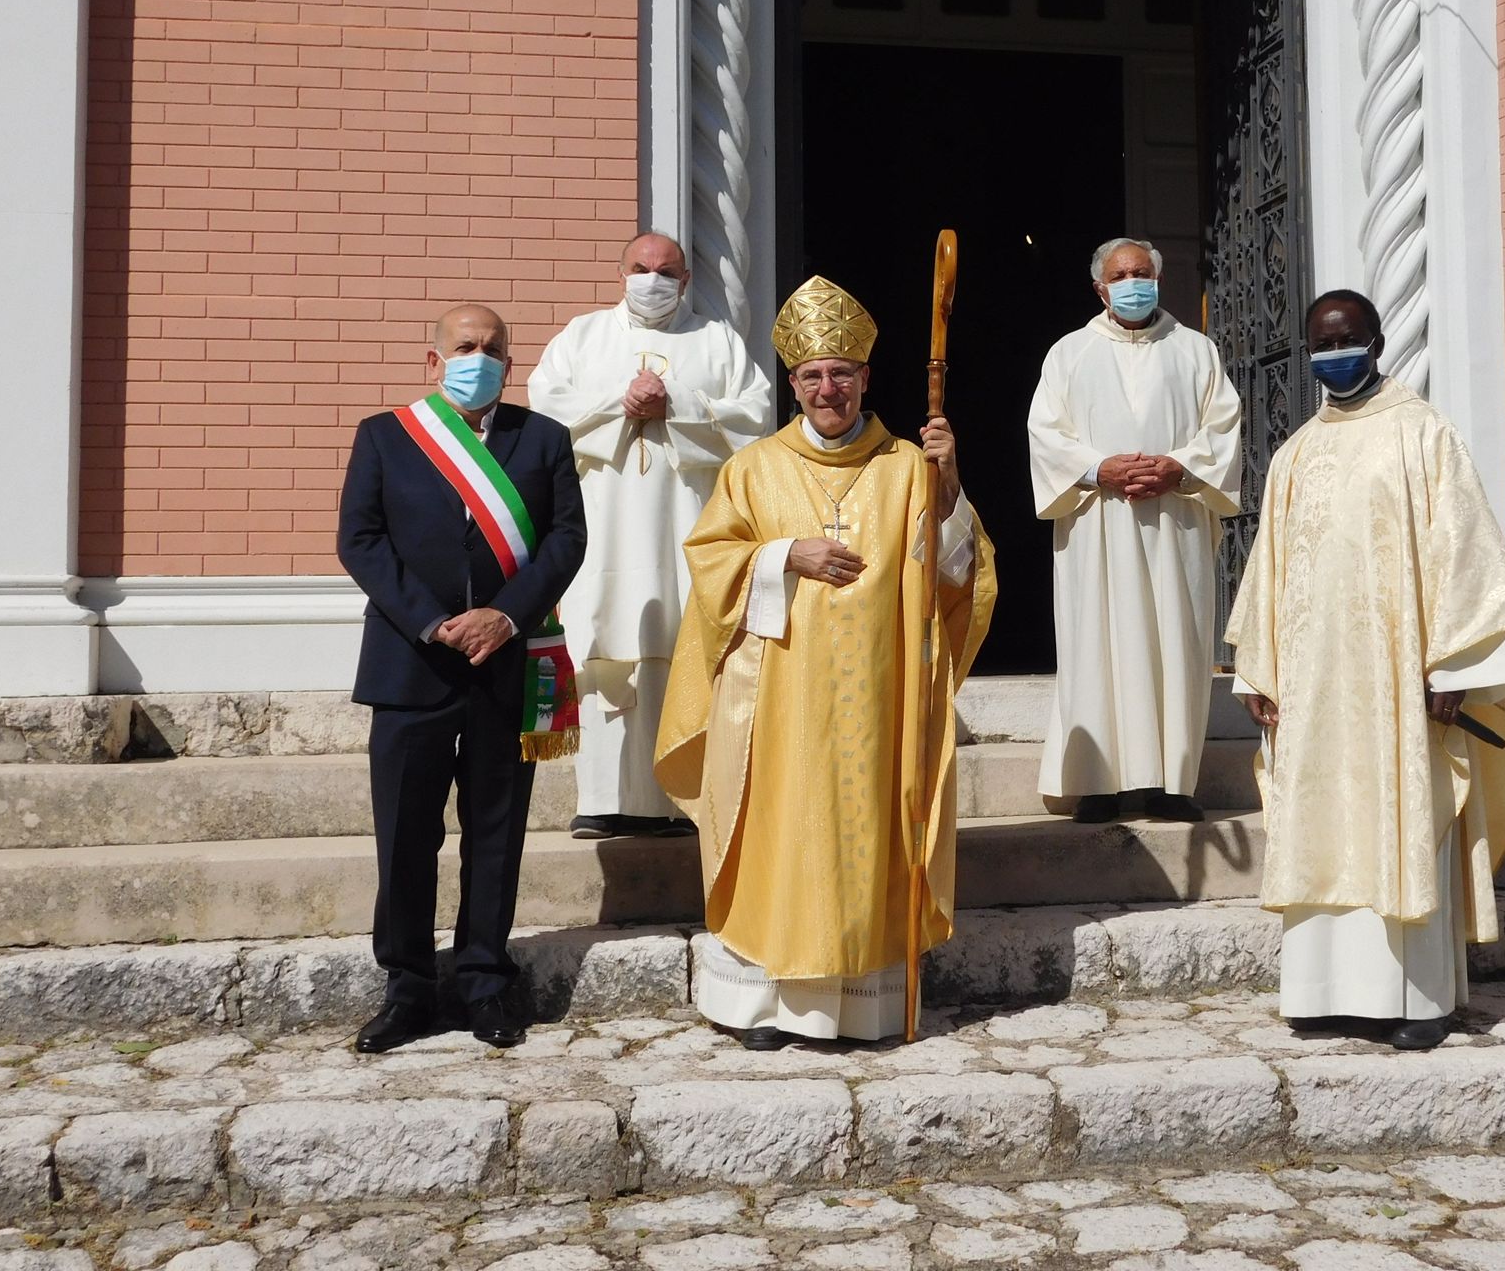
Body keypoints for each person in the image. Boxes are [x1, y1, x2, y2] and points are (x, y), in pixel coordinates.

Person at [656, 276, 997, 1049]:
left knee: (860, 835)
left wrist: (949, 495)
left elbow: (958, 578)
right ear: (794, 384)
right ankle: (762, 1008)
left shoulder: (910, 465)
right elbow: (712, 565)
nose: (828, 387)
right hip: (778, 698)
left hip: (878, 698)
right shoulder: (753, 469)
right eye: (812, 376)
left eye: (842, 372)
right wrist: (784, 555)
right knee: (779, 834)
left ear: (867, 380)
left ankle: (860, 1005)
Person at [1226, 290, 1505, 1052]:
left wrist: (1457, 667)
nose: (1333, 354)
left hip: (1401, 685)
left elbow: (1465, 557)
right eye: (1320, 345)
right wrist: (1259, 674)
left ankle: (1418, 999)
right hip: (1313, 687)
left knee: (1403, 813)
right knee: (1323, 823)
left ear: (1375, 341)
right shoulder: (1297, 452)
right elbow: (1269, 571)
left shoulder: (1423, 436)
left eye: (1346, 339)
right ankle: (1324, 990)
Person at [337, 305, 586, 1053]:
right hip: (411, 663)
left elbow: (567, 539)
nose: (479, 358)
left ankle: (484, 981)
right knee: (407, 835)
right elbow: (361, 539)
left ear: (512, 363)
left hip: (504, 665)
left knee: (495, 832)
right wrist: (433, 621)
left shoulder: (541, 439)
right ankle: (408, 988)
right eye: (465, 347)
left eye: (493, 349)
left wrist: (504, 617)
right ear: (434, 360)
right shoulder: (386, 435)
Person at [528, 231, 773, 841]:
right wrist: (621, 400)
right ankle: (603, 800)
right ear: (622, 272)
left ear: (686, 280)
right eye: (641, 268)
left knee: (684, 643)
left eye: (667, 271)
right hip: (600, 529)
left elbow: (756, 417)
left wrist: (678, 402)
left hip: (687, 529)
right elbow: (545, 411)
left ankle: (678, 798)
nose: (653, 279)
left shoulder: (717, 341)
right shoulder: (582, 337)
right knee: (600, 645)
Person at [1027, 237, 1242, 824]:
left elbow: (1223, 429)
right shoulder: (1068, 354)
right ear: (1100, 288)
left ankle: (1172, 785)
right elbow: (1046, 436)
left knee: (1176, 641)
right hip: (1097, 523)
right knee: (1097, 642)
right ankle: (1097, 785)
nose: (1131, 282)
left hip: (1175, 525)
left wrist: (1181, 467)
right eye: (1120, 275)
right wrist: (1100, 469)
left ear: (1158, 279)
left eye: (1141, 272)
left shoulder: (1196, 350)